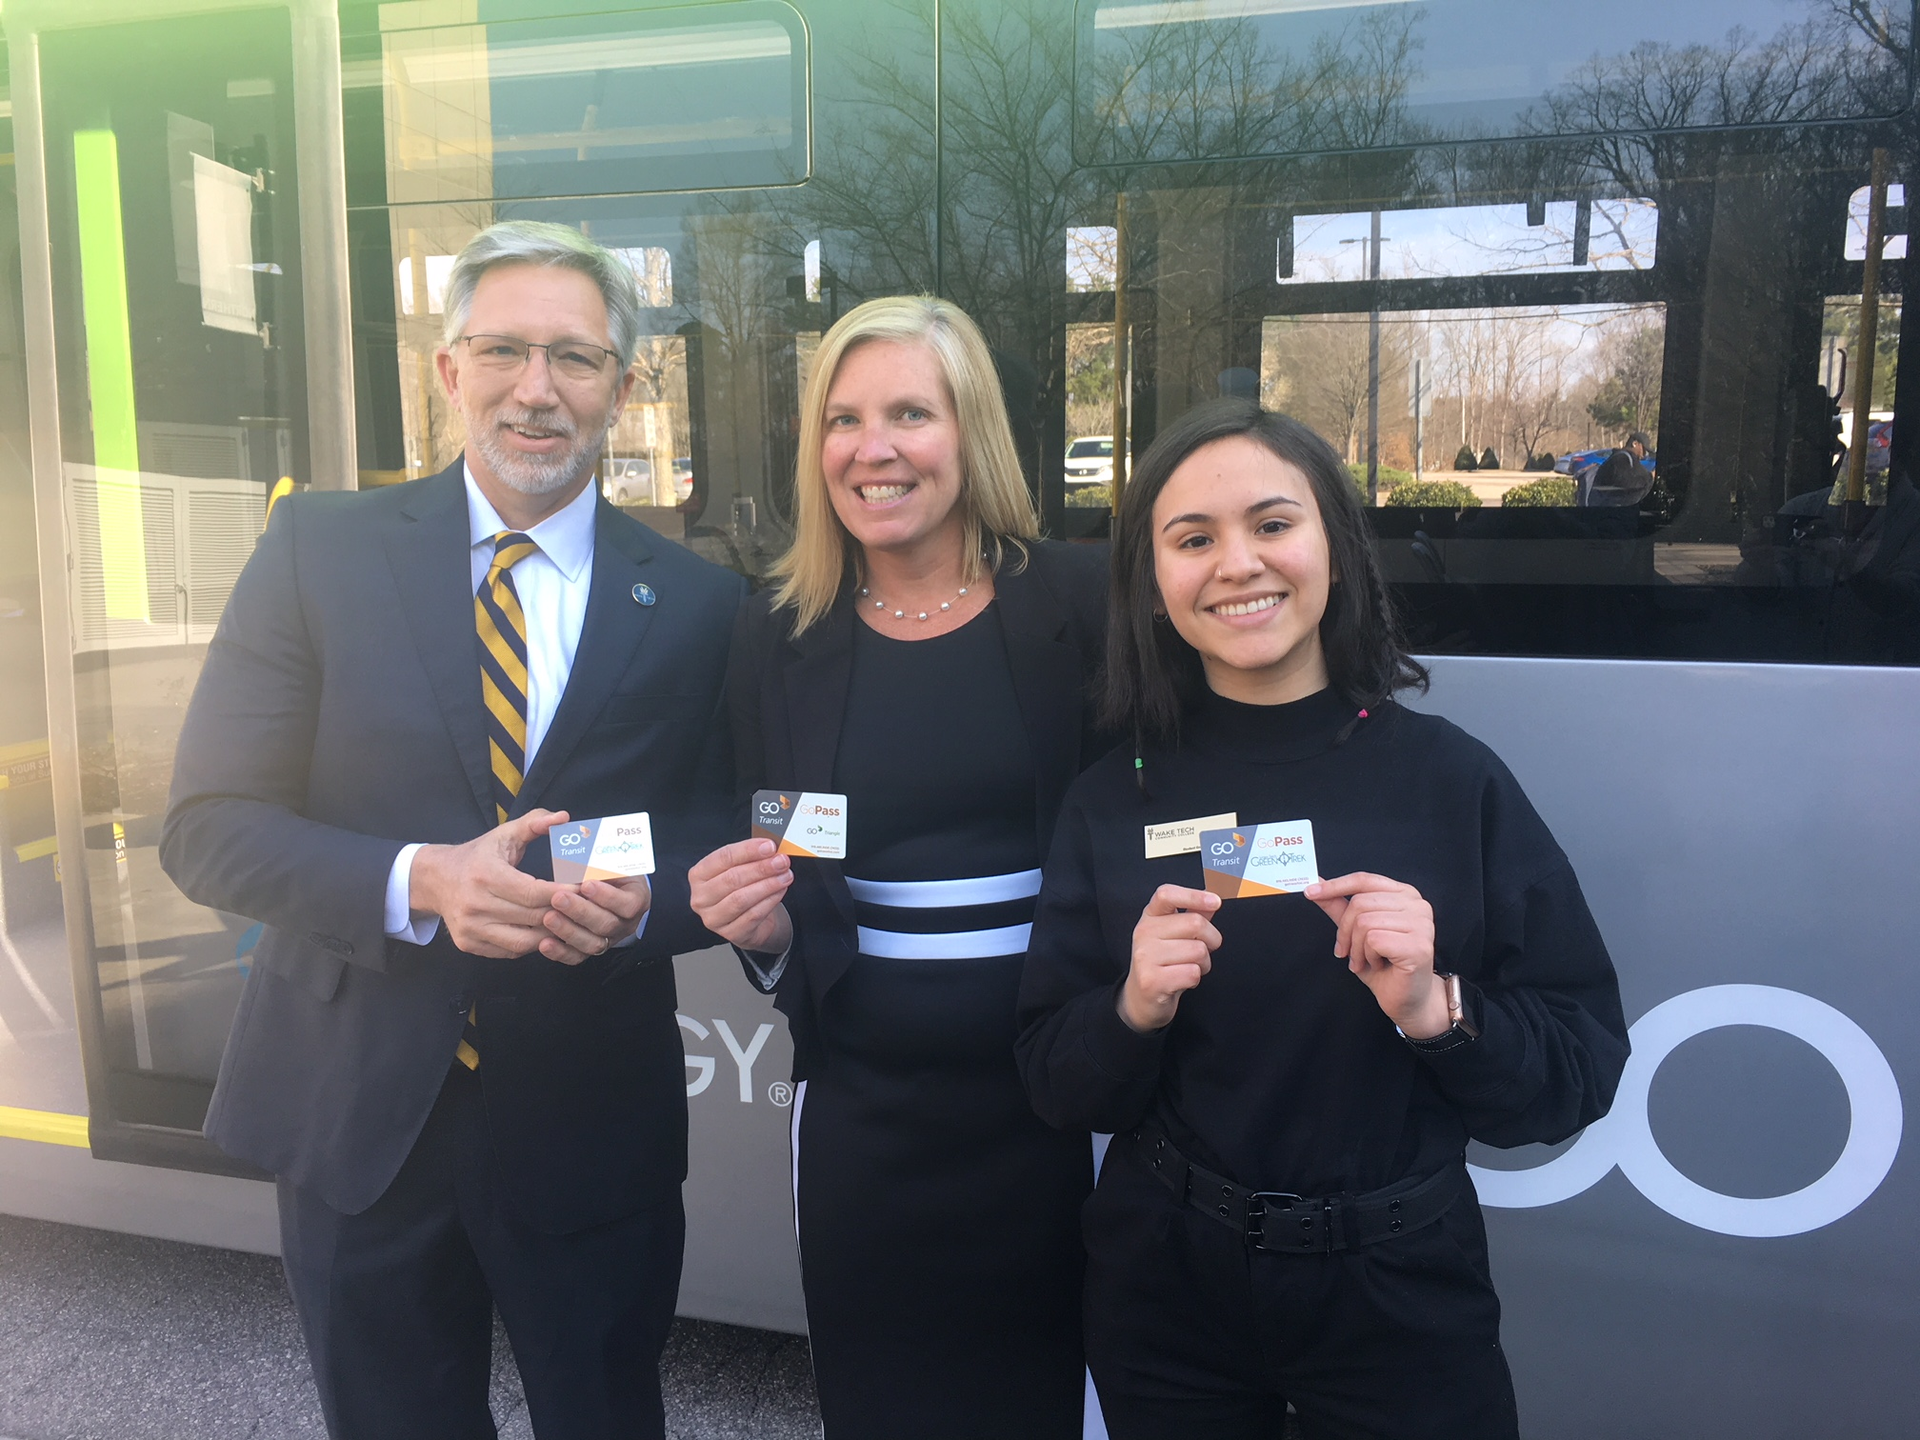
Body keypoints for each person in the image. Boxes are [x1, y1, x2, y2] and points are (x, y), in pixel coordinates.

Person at [161, 221, 744, 1440]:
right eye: (504, 350)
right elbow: (208, 827)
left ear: (623, 391)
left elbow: (722, 836)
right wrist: (418, 879)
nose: (538, 390)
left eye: (576, 359)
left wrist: (650, 906)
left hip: (592, 1127)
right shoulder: (318, 549)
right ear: (448, 370)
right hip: (358, 1116)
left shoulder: (697, 600)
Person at [1016, 400, 1629, 1439]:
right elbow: (1050, 1077)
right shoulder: (1113, 797)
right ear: (1155, 584)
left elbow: (1580, 1068)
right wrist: (1132, 1006)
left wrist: (1439, 1009)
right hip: (1169, 1284)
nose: (1238, 563)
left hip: (1400, 1292)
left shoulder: (1451, 782)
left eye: (1272, 524)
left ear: (1336, 550)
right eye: (1193, 538)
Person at [687, 296, 1108, 1438]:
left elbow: (1146, 828)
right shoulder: (777, 631)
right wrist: (762, 935)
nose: (872, 449)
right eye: (843, 418)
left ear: (971, 433)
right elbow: (772, 839)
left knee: (1052, 1404)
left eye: (910, 413)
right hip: (864, 1112)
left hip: (1059, 1105)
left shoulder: (1082, 602)